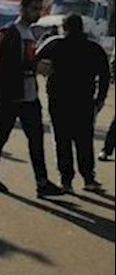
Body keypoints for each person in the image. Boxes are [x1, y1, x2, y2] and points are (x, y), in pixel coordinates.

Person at [0, 0, 63, 198]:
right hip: (9, 96)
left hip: (29, 96)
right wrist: (35, 65)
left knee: (36, 140)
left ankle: (42, 182)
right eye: (33, 8)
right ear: (22, 9)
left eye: (40, 8)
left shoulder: (30, 33)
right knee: (1, 136)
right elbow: (5, 64)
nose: (37, 13)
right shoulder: (8, 32)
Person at [35, 14, 110, 192]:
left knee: (62, 141)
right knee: (84, 141)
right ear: (81, 27)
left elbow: (34, 59)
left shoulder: (54, 44)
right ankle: (88, 179)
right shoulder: (93, 47)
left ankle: (66, 181)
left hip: (58, 101)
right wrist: (100, 100)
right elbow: (105, 75)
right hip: (84, 101)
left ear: (64, 27)